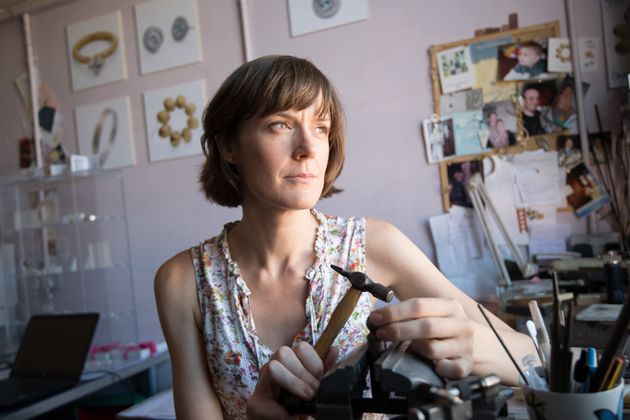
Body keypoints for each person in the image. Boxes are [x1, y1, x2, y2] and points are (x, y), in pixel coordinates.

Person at [154, 55, 536, 419]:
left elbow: (535, 360)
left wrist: (472, 345)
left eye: (321, 128)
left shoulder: (375, 244)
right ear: (228, 145)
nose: (308, 148)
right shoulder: (183, 282)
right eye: (281, 125)